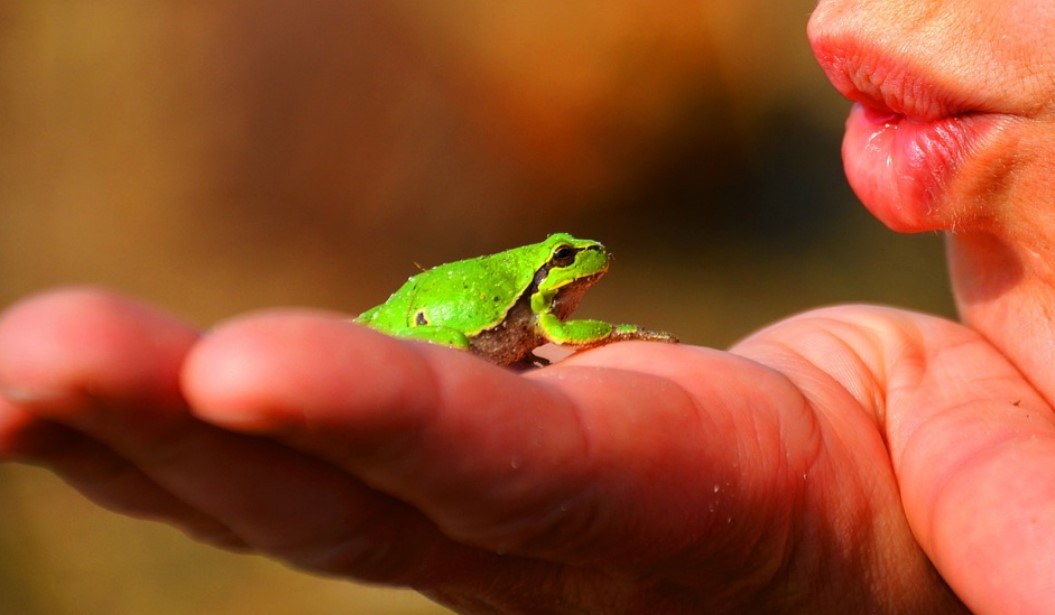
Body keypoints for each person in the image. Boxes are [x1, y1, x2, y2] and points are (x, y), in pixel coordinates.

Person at [2, 0, 1053, 611]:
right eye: (569, 259)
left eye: (574, 260)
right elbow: (551, 333)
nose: (834, 10)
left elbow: (556, 331)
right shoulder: (543, 301)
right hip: (437, 332)